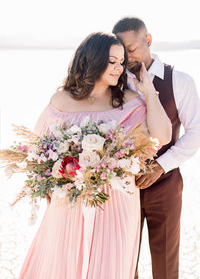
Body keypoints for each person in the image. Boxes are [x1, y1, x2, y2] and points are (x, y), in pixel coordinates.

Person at [18, 32, 171, 279]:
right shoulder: (61, 100)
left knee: (109, 267)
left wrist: (149, 92)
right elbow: (39, 151)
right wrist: (54, 180)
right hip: (68, 202)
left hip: (116, 202)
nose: (118, 68)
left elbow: (163, 135)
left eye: (121, 62)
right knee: (63, 266)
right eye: (112, 61)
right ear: (92, 60)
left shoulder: (130, 102)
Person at [112, 17, 200, 279]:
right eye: (120, 52)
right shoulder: (112, 83)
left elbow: (195, 132)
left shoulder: (180, 81)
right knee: (124, 263)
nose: (126, 58)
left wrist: (162, 165)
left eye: (131, 50)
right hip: (121, 188)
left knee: (165, 265)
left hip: (166, 184)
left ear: (148, 40)